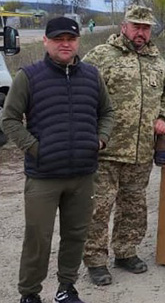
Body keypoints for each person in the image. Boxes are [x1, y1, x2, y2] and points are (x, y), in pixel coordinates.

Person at [2, 17, 114, 303]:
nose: (65, 44)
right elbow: (9, 119)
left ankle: (67, 288)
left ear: (78, 42)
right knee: (38, 238)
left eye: (71, 39)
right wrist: (35, 148)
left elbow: (107, 113)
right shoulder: (29, 76)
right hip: (43, 176)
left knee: (76, 235)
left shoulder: (92, 76)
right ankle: (30, 293)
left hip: (82, 174)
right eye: (58, 39)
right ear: (46, 41)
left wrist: (100, 139)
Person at [82, 5, 165, 286]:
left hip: (141, 150)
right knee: (99, 207)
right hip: (106, 149)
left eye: (146, 28)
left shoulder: (156, 60)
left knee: (134, 205)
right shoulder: (101, 56)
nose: (141, 32)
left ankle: (125, 251)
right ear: (124, 26)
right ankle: (96, 260)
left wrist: (163, 117)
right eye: (136, 26)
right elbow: (81, 94)